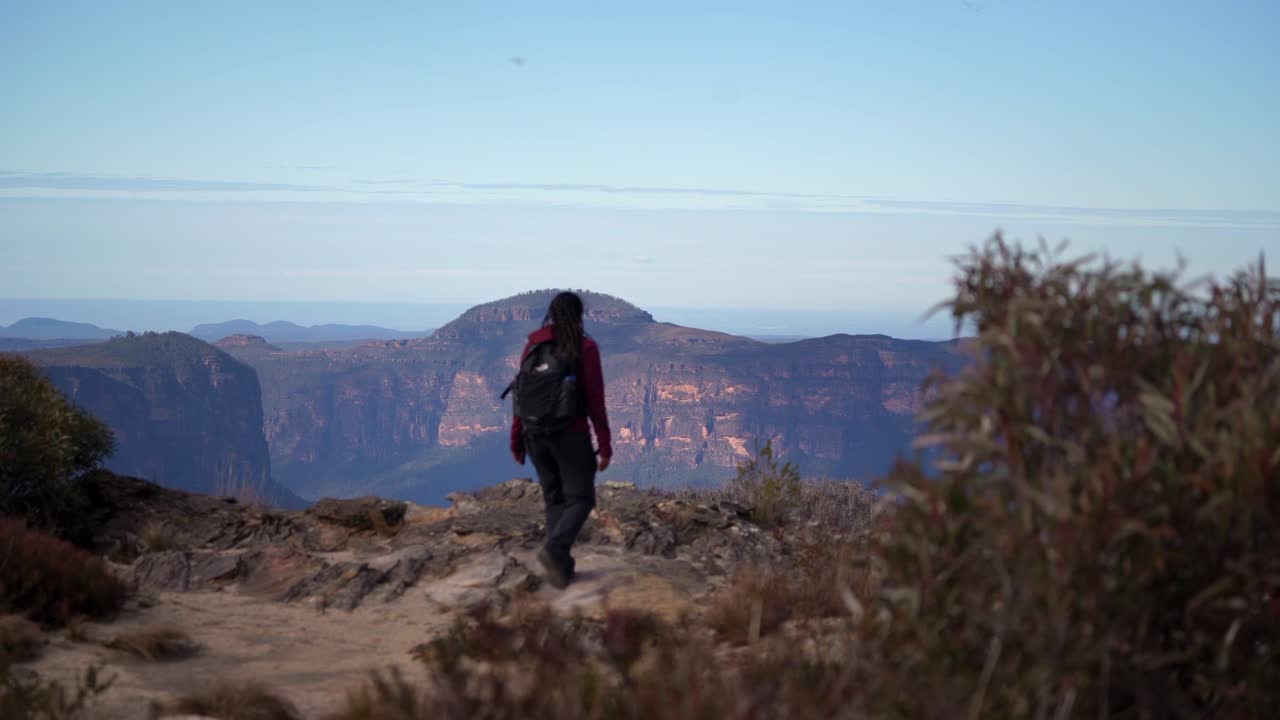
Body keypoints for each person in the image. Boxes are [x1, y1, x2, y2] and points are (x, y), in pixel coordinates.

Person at [511, 291, 612, 588]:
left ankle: (561, 569)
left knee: (554, 497)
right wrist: (604, 445)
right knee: (581, 498)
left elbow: (521, 395)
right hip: (570, 434)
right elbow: (596, 401)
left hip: (534, 435)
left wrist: (517, 440)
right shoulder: (585, 347)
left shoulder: (534, 344)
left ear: (551, 314)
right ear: (579, 316)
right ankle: (555, 550)